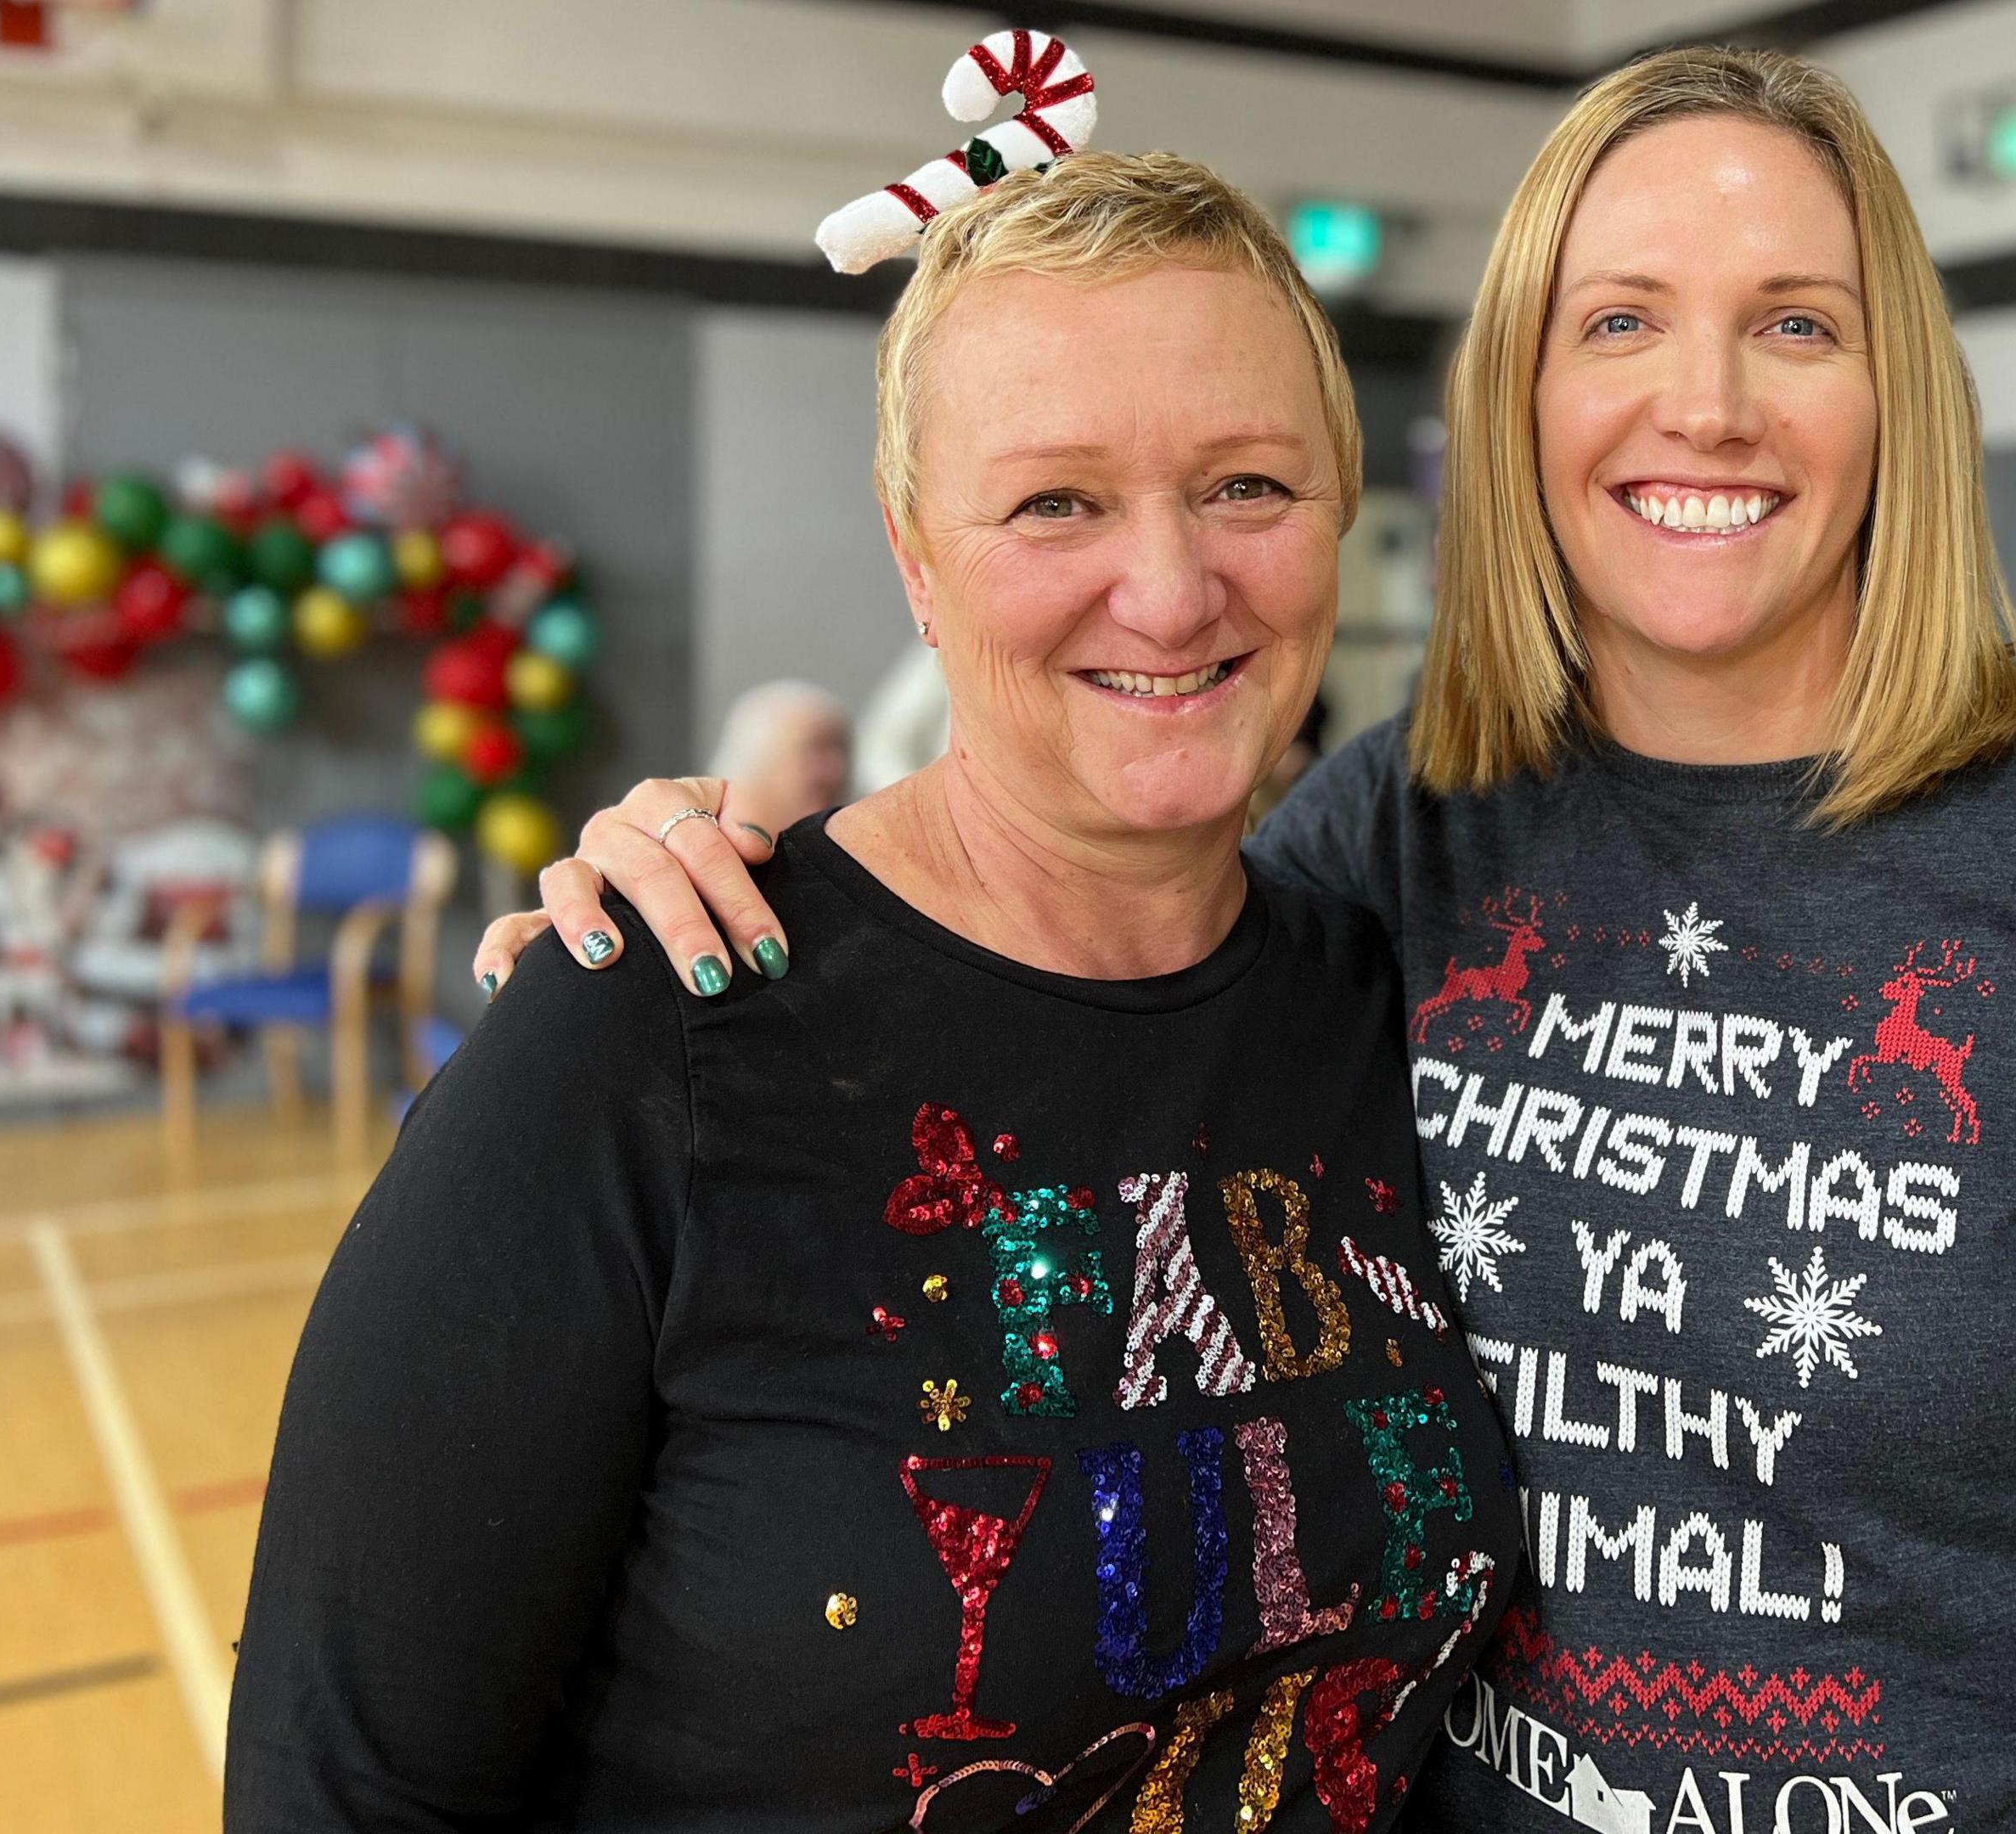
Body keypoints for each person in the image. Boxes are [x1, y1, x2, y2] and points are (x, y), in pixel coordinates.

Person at [481, 48, 2016, 1831]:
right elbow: (1025, 1032)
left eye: (1795, 321)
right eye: (1620, 320)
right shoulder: (1383, 837)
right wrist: (713, 896)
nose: (1704, 399)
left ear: (1898, 397)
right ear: (1521, 391)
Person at [228, 153, 1517, 1831]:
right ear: (919, 563)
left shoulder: (1382, 994)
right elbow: (345, 1786)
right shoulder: (654, 1022)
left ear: (1341, 507)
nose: (1173, 586)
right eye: (1056, 502)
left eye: (1249, 486)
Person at [702, 678, 853, 843]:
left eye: (842, 750)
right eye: (816, 749)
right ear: (756, 762)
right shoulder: (699, 844)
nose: (836, 770)